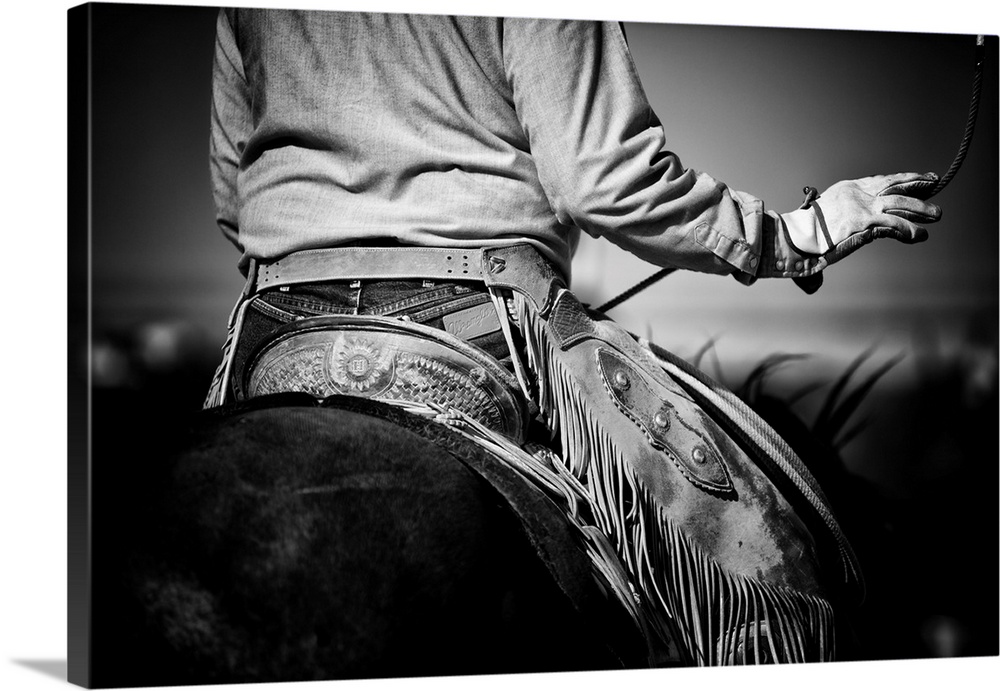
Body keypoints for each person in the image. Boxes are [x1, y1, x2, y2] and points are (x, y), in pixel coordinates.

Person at [201, 8, 941, 666]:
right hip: (477, 323)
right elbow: (604, 179)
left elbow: (233, 196)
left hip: (276, 326)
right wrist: (796, 237)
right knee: (775, 586)